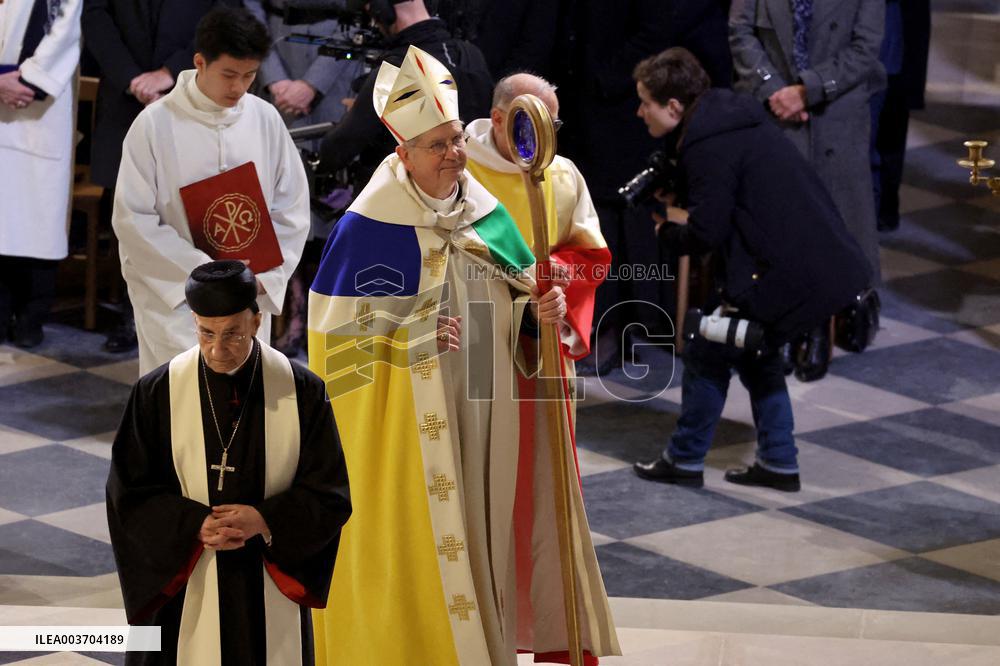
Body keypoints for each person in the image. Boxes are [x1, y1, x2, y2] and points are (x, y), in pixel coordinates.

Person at [308, 45, 619, 666]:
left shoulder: (485, 212)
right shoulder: (371, 226)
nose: (455, 156)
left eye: (455, 139)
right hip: (406, 434)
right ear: (403, 154)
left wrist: (541, 314)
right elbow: (334, 351)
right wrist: (410, 342)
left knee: (483, 534)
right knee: (421, 544)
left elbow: (522, 298)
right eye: (438, 147)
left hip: (485, 411)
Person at [630, 48, 871, 491]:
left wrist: (664, 231)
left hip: (787, 272)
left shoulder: (708, 142)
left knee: (705, 344)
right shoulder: (729, 119)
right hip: (812, 264)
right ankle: (779, 462)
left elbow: (707, 230)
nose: (639, 110)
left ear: (674, 107)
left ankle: (684, 460)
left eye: (645, 101)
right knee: (754, 352)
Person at [107, 260, 351, 666]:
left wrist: (265, 519)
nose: (218, 349)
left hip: (265, 575)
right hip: (184, 577)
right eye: (206, 333)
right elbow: (127, 492)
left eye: (233, 334)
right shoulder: (157, 392)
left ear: (256, 322)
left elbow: (330, 493)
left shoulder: (303, 391)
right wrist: (191, 524)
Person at [112, 7, 310, 376]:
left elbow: (291, 207)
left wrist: (267, 274)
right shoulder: (155, 123)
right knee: (181, 397)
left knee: (244, 401)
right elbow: (133, 217)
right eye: (229, 74)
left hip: (248, 290)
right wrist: (204, 273)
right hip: (177, 295)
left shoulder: (265, 119)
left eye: (249, 75)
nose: (238, 87)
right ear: (200, 62)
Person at [555, 0, 732, 375]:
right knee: (590, 214)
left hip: (621, 106)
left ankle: (615, 328)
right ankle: (601, 325)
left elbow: (658, 27)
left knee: (618, 220)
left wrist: (608, 75)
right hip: (581, 99)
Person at [729, 0, 885, 381]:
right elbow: (741, 32)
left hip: (837, 107)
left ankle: (821, 324)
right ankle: (786, 322)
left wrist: (809, 90)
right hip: (773, 108)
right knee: (779, 223)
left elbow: (865, 48)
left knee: (834, 216)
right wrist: (775, 90)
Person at [83, 0, 235, 353]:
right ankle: (130, 311)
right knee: (129, 212)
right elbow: (95, 15)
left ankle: (197, 309)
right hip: (125, 95)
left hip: (192, 90)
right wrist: (130, 77)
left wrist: (171, 71)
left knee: (190, 210)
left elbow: (225, 15)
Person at [465, 72, 610, 364]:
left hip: (543, 322)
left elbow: (591, 255)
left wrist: (555, 268)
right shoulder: (462, 169)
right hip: (477, 324)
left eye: (552, 124)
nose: (545, 136)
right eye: (532, 123)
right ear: (497, 118)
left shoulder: (564, 174)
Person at [316, 0, 492, 184]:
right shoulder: (472, 55)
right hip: (470, 194)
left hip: (404, 200)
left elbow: (337, 150)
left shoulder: (394, 72)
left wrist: (360, 113)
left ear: (381, 11)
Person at [0, 0, 82, 348]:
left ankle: (32, 314)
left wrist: (28, 79)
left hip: (38, 104)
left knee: (36, 208)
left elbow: (64, 26)